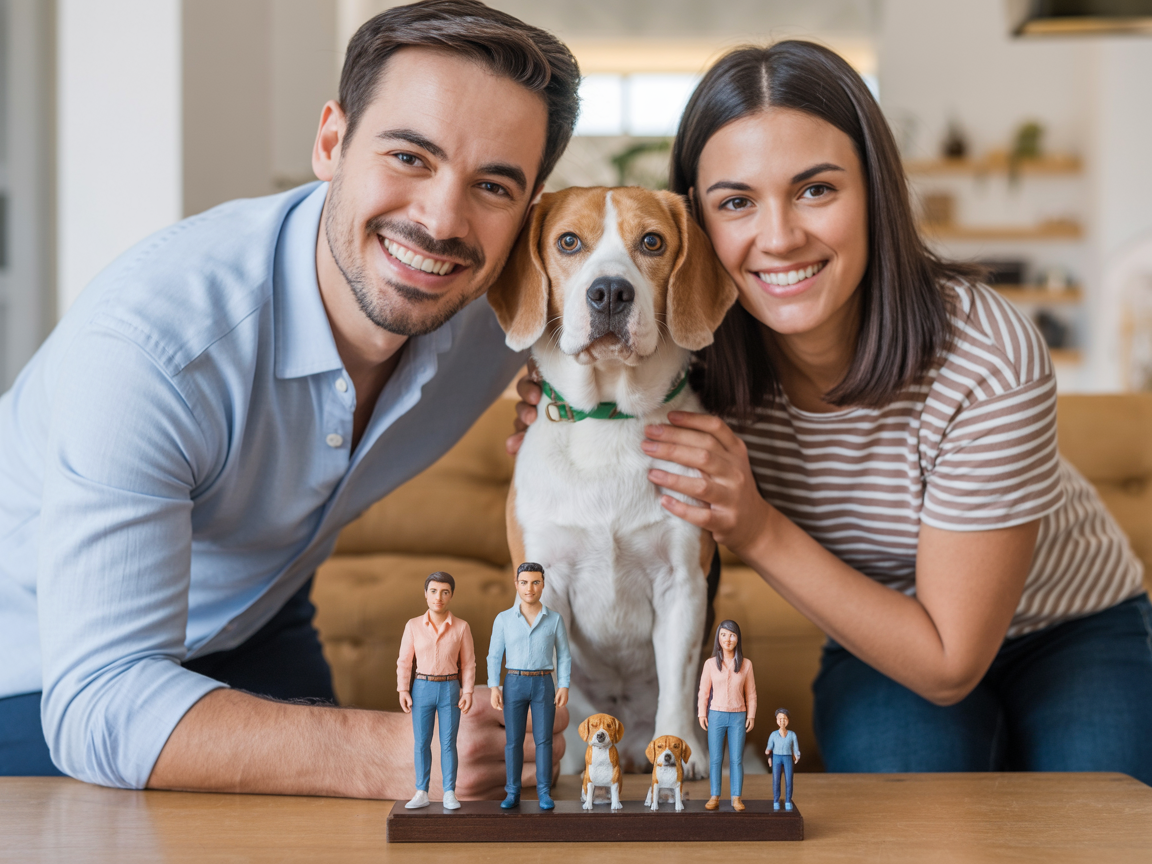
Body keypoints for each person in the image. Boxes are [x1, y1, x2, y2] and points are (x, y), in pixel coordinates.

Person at [510, 40, 1152, 783]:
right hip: (878, 630)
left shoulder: (990, 352)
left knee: (1105, 823)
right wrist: (558, 411)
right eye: (737, 202)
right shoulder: (691, 347)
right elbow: (592, 405)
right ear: (700, 232)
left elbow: (950, 663)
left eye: (816, 189)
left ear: (874, 191)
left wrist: (753, 523)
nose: (779, 236)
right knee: (907, 816)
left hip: (1071, 627)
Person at [0, 0, 578, 798]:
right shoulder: (156, 348)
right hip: (42, 671)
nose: (442, 221)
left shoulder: (511, 306)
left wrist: (581, 411)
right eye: (410, 157)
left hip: (258, 614)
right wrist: (400, 752)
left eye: (493, 185)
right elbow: (99, 701)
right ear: (332, 142)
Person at [487, 562, 571, 810]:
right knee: (513, 741)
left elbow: (564, 655)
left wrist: (563, 684)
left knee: (544, 741)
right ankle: (512, 791)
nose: (530, 588)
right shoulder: (504, 619)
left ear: (543, 584)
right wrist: (494, 686)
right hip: (514, 682)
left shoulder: (554, 619)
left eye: (535, 582)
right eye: (524, 582)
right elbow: (494, 655)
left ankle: (544, 792)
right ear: (516, 584)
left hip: (544, 682)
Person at [397, 572, 475, 810]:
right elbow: (404, 660)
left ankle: (450, 791)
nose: (438, 597)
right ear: (425, 594)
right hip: (422, 687)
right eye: (433, 591)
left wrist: (468, 691)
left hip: (450, 687)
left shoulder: (461, 627)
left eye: (444, 592)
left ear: (451, 595)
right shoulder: (413, 626)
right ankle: (421, 790)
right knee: (422, 742)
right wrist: (403, 689)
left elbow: (469, 662)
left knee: (448, 742)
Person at [698, 620, 756, 812]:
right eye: (723, 634)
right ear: (718, 638)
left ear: (737, 638)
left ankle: (736, 797)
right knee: (715, 758)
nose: (727, 639)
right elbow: (703, 692)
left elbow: (751, 693)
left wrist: (752, 715)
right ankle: (715, 795)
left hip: (738, 716)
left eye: (732, 635)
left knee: (736, 759)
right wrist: (701, 713)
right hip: (716, 715)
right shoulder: (710, 664)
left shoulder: (746, 665)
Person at [766, 708, 800, 811]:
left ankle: (788, 801)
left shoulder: (792, 735)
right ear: (776, 720)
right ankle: (776, 800)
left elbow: (796, 748)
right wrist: (768, 754)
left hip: (788, 758)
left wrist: (797, 755)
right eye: (780, 719)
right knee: (776, 780)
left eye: (784, 719)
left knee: (789, 780)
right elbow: (769, 748)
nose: (782, 721)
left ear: (788, 720)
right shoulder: (773, 735)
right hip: (776, 758)